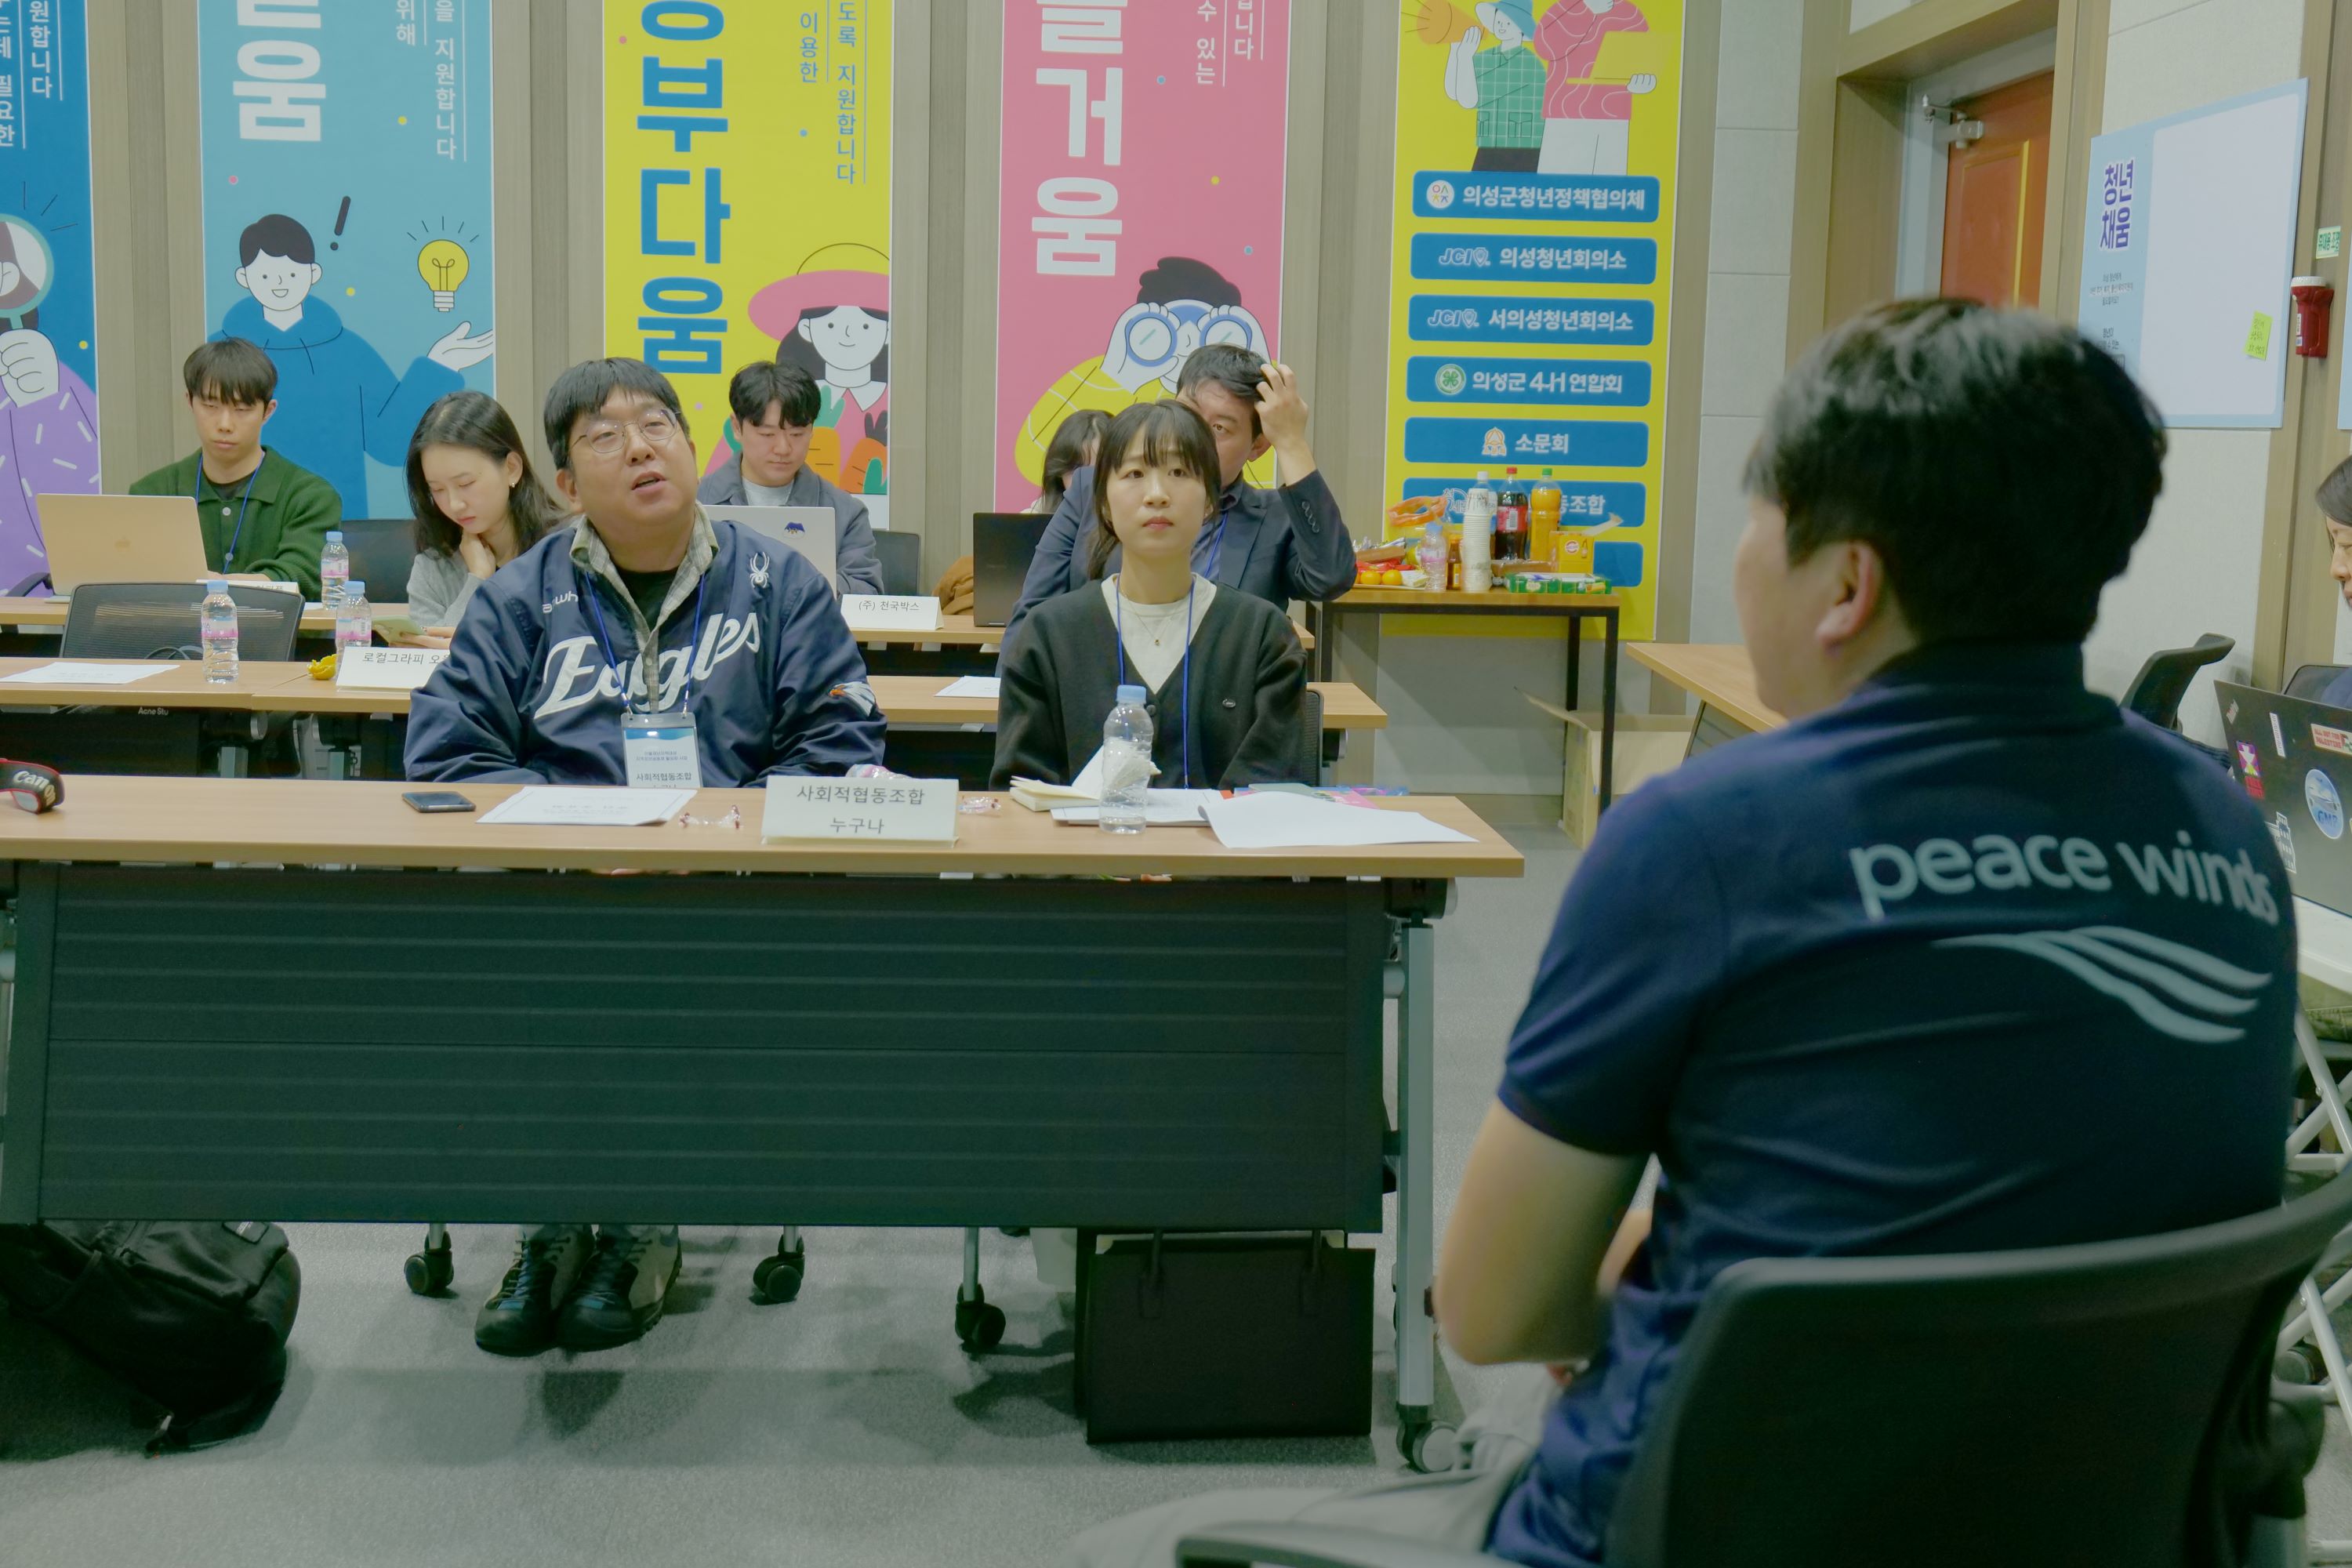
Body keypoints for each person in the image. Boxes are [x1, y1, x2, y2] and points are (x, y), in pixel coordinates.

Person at [1065, 301, 2297, 1566]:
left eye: (1756, 518)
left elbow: (1493, 1311)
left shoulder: (1710, 840)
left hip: (1702, 1522)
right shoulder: (2222, 830)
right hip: (2103, 1524)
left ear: (1846, 584)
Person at [406, 358, 887, 1356]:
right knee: (534, 980)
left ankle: (637, 1227)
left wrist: (715, 836)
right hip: (556, 891)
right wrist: (576, 841)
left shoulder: (780, 584)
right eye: (604, 435)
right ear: (565, 483)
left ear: (690, 445)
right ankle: (551, 1225)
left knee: (655, 982)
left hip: (723, 894)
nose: (639, 446)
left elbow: (840, 743)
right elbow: (449, 751)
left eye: (657, 424)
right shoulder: (519, 597)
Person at [993, 401, 1307, 792]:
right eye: (1135, 474)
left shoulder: (1262, 636)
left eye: (1179, 472)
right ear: (1104, 503)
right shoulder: (1048, 635)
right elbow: (1021, 793)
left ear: (1210, 501)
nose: (1157, 494)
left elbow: (1272, 793)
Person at [1004, 343, 1353, 652]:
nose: (1192, 437)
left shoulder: (1274, 518)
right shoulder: (1094, 487)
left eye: (1219, 428)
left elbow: (1330, 578)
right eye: (1188, 413)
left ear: (1258, 446)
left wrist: (1291, 443)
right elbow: (1032, 614)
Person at [216, 212, 492, 517]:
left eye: (292, 274)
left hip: (337, 526)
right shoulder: (221, 354)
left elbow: (389, 441)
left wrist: (439, 367)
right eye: (266, 276)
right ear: (244, 278)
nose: (280, 284)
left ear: (314, 273)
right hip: (246, 520)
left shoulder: (348, 349)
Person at [129, 339, 340, 597]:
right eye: (210, 406)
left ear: (268, 411)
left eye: (241, 409)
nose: (225, 424)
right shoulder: (152, 493)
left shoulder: (310, 496)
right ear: (190, 402)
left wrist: (218, 584)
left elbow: (303, 573)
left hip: (278, 624)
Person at [697, 359, 885, 596]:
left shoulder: (846, 513)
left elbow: (866, 593)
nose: (783, 448)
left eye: (797, 434)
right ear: (737, 427)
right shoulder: (694, 502)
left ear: (812, 429)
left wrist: (797, 588)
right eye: (767, 434)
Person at [397, 390, 569, 648]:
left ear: (512, 468)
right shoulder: (432, 568)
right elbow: (430, 658)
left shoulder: (568, 546)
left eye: (465, 484)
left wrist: (476, 644)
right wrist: (477, 579)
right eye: (438, 490)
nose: (454, 504)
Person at [1444, 2, 1548, 172]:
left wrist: (1464, 57)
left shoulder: (1527, 63)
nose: (1502, 26)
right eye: (1499, 21)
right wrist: (1455, 52)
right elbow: (1454, 92)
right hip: (1489, 145)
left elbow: (1469, 100)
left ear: (1521, 28)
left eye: (1508, 23)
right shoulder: (1488, 56)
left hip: (1522, 149)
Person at [1031, 408, 1109, 515]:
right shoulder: (1032, 521)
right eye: (1076, 469)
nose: (1087, 480)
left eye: (1099, 468)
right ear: (1059, 476)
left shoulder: (1130, 520)